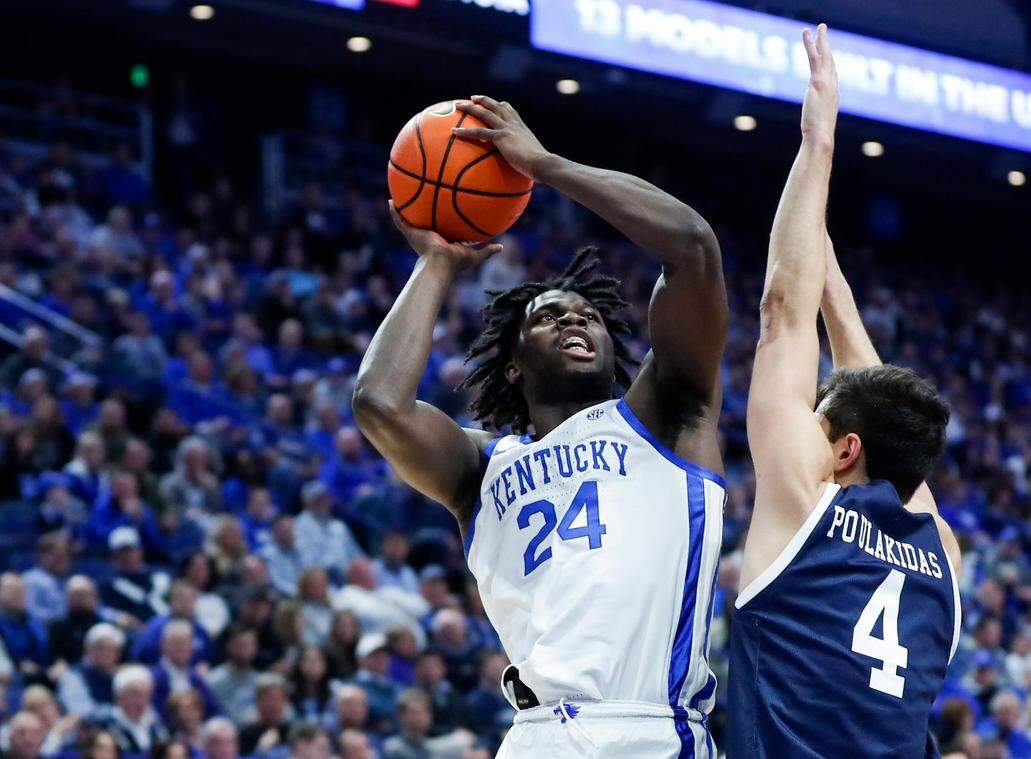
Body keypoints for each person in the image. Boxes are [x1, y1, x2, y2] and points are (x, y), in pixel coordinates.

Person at [353, 93, 726, 755]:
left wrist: (546, 165)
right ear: (515, 366)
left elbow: (692, 247)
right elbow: (380, 403)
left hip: (647, 728)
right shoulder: (481, 469)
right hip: (534, 735)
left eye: (585, 314)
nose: (575, 319)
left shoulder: (666, 412)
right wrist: (436, 263)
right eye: (549, 317)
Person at [728, 25, 961, 757]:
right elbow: (878, 399)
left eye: (820, 420)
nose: (809, 424)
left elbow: (778, 316)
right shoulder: (943, 554)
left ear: (844, 447)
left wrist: (818, 139)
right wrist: (829, 274)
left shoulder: (806, 503)